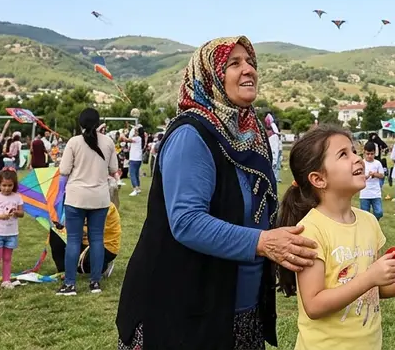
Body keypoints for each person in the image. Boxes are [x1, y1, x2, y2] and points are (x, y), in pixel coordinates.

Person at [117, 37, 319, 350]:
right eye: (234, 64)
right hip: (183, 309)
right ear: (209, 76)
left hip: (241, 308)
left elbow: (256, 212)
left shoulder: (250, 134)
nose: (248, 69)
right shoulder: (191, 135)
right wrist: (263, 243)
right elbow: (187, 222)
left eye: (250, 62)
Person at [276, 126, 395, 350]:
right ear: (318, 179)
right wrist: (369, 278)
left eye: (353, 151)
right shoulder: (310, 231)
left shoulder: (369, 222)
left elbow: (375, 289)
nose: (357, 158)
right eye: (343, 154)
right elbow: (313, 305)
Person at [56, 108, 120, 295]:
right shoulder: (108, 142)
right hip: (100, 198)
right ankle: (95, 282)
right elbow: (113, 168)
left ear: (80, 123)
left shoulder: (74, 142)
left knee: (73, 241)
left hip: (76, 197)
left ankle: (70, 284)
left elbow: (64, 170)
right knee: (97, 239)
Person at [51, 202, 121, 278]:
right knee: (56, 232)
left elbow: (96, 231)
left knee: (85, 266)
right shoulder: (71, 203)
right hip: (80, 242)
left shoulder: (105, 205)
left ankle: (104, 266)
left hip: (104, 244)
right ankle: (63, 270)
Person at [0, 169, 25, 292]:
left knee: (7, 258)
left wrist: (16, 212)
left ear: (14, 185)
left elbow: (22, 213)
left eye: (10, 185)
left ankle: (6, 280)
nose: (7, 188)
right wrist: (2, 216)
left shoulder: (17, 197)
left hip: (11, 233)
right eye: (4, 185)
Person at [360, 144, 386, 219]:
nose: (370, 156)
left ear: (375, 153)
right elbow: (358, 177)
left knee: (379, 212)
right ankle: (368, 225)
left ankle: (375, 221)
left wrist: (375, 174)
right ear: (364, 153)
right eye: (368, 154)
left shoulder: (377, 163)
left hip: (376, 193)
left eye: (372, 154)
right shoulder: (361, 163)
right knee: (365, 214)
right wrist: (366, 176)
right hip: (364, 193)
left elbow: (382, 175)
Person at [127, 124, 145, 197]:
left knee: (132, 174)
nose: (135, 132)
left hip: (134, 158)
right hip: (138, 159)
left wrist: (122, 135)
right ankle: (138, 188)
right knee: (136, 174)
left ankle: (135, 189)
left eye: (136, 131)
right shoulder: (140, 138)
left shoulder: (137, 138)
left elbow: (126, 140)